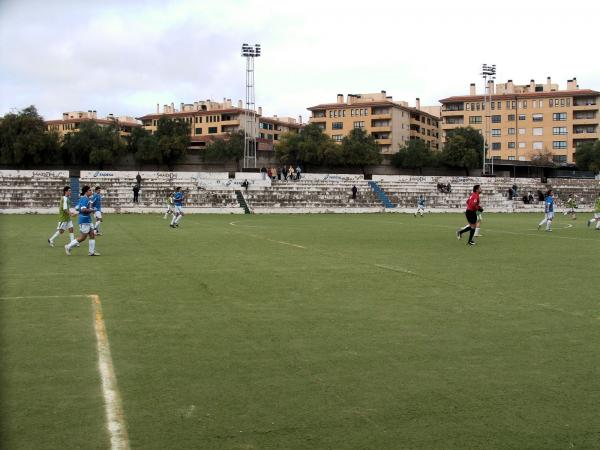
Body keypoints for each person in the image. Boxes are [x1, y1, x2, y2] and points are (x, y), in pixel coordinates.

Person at [64, 186, 100, 256]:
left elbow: (77, 207)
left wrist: (89, 208)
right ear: (86, 192)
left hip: (87, 219)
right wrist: (92, 210)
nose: (91, 192)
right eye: (90, 190)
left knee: (92, 234)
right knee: (82, 238)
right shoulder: (85, 199)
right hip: (84, 220)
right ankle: (68, 246)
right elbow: (83, 210)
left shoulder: (85, 199)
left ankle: (91, 252)